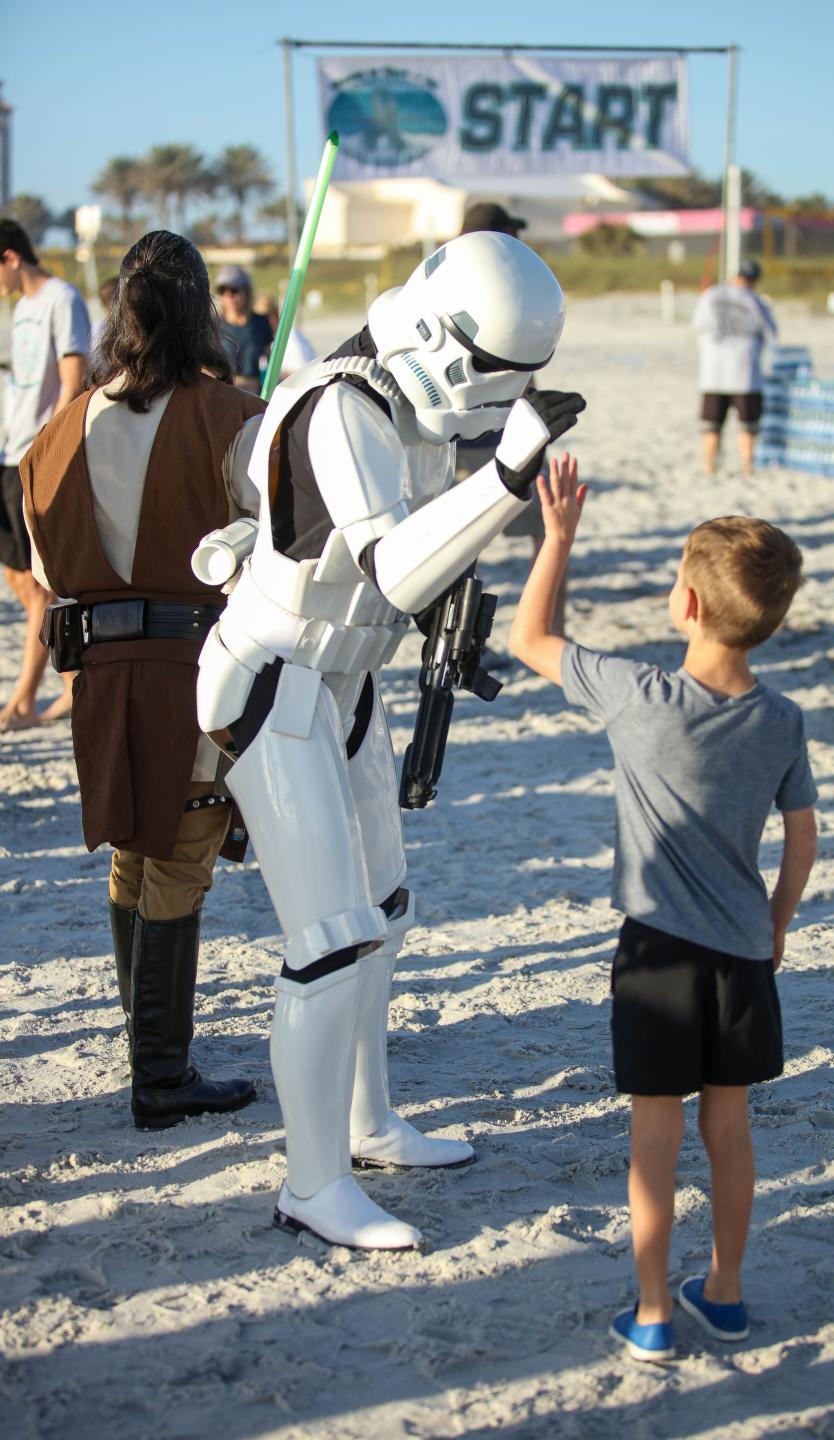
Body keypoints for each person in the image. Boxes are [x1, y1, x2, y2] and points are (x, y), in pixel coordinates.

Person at [196, 231, 586, 1249]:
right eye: (496, 374)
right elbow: (390, 569)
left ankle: (367, 1123)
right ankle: (312, 1180)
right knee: (330, 938)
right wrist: (503, 480)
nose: (503, 397)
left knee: (384, 910)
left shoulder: (407, 408)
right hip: (276, 675)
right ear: (440, 333)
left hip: (348, 680)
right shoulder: (343, 407)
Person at [510, 483, 818, 1362]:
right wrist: (777, 924)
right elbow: (802, 840)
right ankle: (723, 1294)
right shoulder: (783, 720)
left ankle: (650, 1310)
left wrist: (558, 536)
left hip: (655, 954)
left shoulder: (637, 695)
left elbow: (530, 639)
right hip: (740, 953)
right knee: (731, 1128)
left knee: (655, 1133)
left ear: (684, 603)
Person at [20, 230, 265, 1130]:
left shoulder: (60, 428)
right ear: (200, 308)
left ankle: (146, 1041)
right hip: (195, 667)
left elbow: (47, 557)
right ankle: (160, 1072)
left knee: (134, 844)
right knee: (179, 851)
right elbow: (274, 542)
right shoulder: (233, 415)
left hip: (102, 668)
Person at [453, 203, 568, 639]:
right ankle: (552, 633)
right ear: (496, 238)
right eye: (511, 235)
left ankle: (472, 639)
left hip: (463, 440)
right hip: (490, 441)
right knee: (549, 532)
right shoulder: (504, 287)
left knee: (464, 550)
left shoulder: (444, 281)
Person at [0, 217, 90, 731]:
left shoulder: (61, 297)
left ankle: (24, 700)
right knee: (18, 575)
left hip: (36, 455)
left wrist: (48, 450)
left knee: (40, 586)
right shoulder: (23, 308)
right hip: (9, 452)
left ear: (10, 257)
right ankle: (71, 685)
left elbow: (71, 377)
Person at [692, 259, 777, 478]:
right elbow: (771, 333)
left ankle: (709, 467)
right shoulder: (755, 301)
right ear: (755, 280)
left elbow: (697, 326)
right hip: (746, 373)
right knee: (748, 425)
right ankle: (747, 467)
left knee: (711, 425)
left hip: (713, 373)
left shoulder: (710, 295)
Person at [215, 264, 273, 393]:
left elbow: (271, 364)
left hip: (255, 396)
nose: (229, 296)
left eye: (234, 290)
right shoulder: (214, 327)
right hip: (224, 395)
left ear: (246, 292)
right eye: (223, 290)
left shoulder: (261, 323)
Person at [255, 293, 316, 378]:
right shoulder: (261, 340)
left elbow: (304, 375)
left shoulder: (291, 338)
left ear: (274, 315)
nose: (261, 323)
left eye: (265, 318)